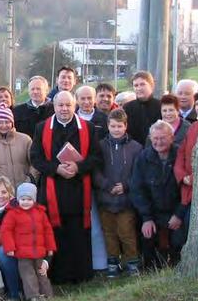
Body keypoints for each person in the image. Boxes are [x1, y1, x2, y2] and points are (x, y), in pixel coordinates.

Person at [29, 90, 102, 284]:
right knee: (54, 233)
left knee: (78, 233)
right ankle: (56, 275)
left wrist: (78, 167)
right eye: (60, 105)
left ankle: (81, 275)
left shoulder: (88, 127)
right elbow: (35, 158)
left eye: (68, 105)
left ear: (74, 105)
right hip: (52, 188)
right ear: (54, 106)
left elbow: (96, 157)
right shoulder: (41, 128)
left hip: (79, 189)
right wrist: (56, 168)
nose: (64, 109)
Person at [93, 108, 143, 277]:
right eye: (113, 126)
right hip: (106, 199)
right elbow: (95, 171)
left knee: (126, 232)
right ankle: (113, 263)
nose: (116, 129)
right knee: (109, 233)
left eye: (119, 126)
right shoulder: (100, 146)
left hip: (126, 200)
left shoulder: (135, 147)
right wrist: (106, 185)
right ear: (108, 126)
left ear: (125, 126)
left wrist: (126, 186)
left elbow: (138, 172)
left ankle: (132, 262)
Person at [130, 121, 185, 270]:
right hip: (152, 212)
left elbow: (186, 190)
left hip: (177, 211)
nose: (158, 142)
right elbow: (137, 190)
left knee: (178, 241)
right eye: (155, 138)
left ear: (172, 138)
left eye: (162, 138)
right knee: (147, 238)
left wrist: (179, 214)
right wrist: (147, 218)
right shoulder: (143, 158)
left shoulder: (181, 156)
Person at [1, 182, 56, 301]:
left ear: (34, 200)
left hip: (39, 251)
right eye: (22, 199)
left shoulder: (40, 213)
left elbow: (48, 231)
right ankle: (33, 296)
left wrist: (50, 247)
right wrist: (10, 247)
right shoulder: (13, 214)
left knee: (42, 273)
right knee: (28, 275)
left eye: (29, 199)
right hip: (23, 253)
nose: (25, 202)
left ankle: (47, 295)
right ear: (18, 199)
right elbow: (6, 231)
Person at [173, 93, 198, 252]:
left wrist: (195, 178)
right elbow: (181, 154)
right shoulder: (193, 127)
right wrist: (181, 175)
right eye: (197, 104)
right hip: (186, 188)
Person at [0, 106, 34, 187]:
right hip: (2, 192)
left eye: (7, 122)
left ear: (12, 123)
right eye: (0, 122)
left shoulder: (25, 140)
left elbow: (34, 164)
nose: (4, 125)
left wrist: (29, 181)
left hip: (24, 191)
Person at [122, 71, 162, 147]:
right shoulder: (127, 108)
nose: (139, 88)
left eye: (142, 84)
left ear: (151, 85)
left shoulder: (160, 106)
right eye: (136, 85)